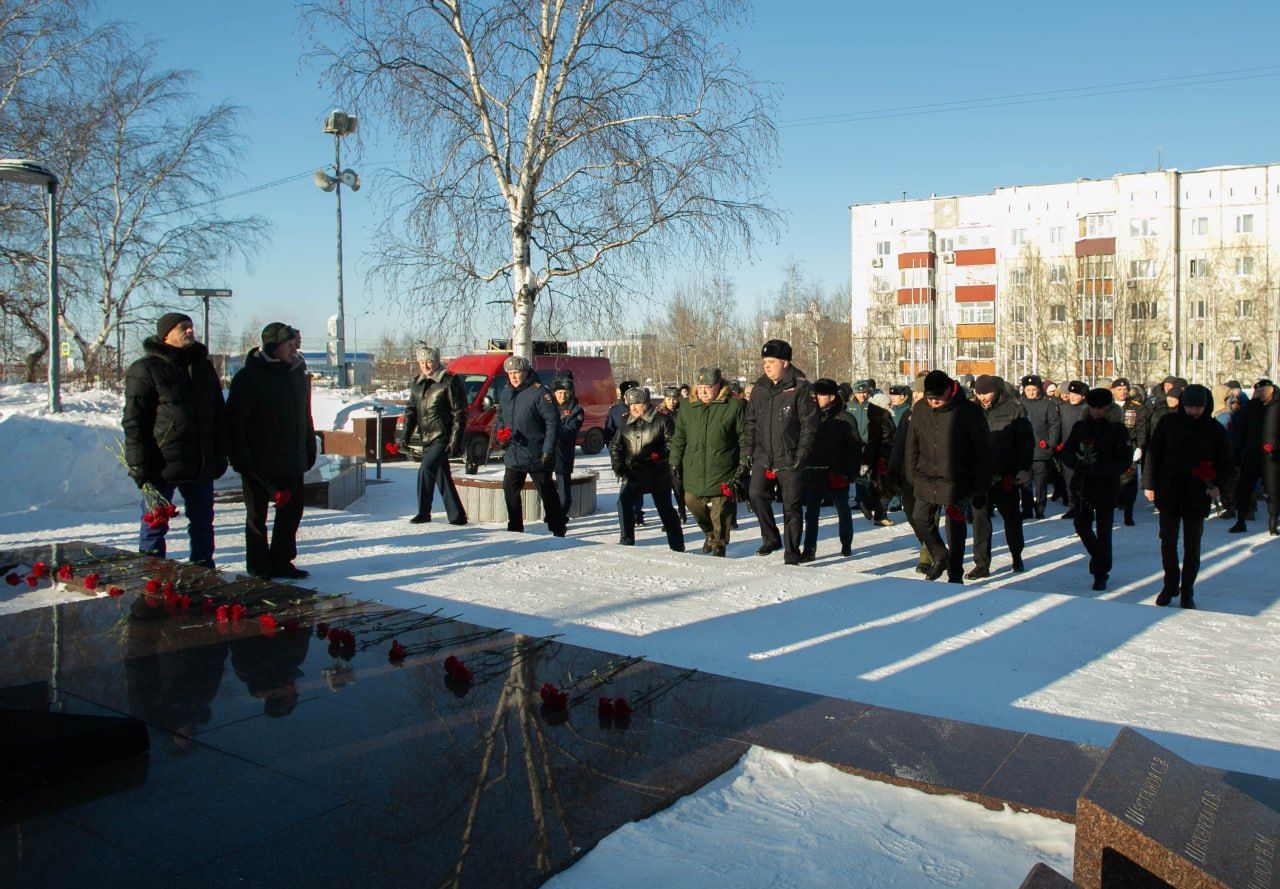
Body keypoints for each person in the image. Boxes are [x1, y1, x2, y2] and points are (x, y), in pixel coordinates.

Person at [122, 312, 228, 568]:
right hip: (161, 463)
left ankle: (203, 573)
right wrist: (138, 463)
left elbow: (218, 414)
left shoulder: (202, 367)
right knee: (155, 524)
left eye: (191, 326)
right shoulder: (146, 368)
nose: (190, 331)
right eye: (183, 327)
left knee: (203, 523)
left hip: (199, 462)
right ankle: (151, 573)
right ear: (166, 335)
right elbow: (135, 420)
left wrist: (219, 454)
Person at [226, 323, 316, 579]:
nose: (293, 350)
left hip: (292, 459)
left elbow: (305, 414)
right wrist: (240, 457)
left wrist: (309, 445)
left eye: (294, 345)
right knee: (257, 516)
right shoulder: (249, 377)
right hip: (259, 461)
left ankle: (281, 561)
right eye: (289, 346)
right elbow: (235, 421)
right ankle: (258, 565)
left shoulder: (296, 374)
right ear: (273, 348)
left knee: (291, 513)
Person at [1144, 384, 1237, 608]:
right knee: (1168, 541)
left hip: (1197, 493)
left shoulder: (1214, 429)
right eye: (1189, 407)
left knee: (1192, 546)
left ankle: (1187, 590)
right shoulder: (1168, 423)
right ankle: (1170, 585)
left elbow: (1227, 464)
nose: (1193, 411)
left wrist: (1218, 486)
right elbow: (1154, 454)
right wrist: (1149, 484)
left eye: (1197, 407)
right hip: (1169, 490)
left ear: (1206, 406)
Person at [905, 370, 991, 583]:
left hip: (957, 479)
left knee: (954, 527)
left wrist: (980, 482)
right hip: (926, 475)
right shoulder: (921, 409)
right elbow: (912, 442)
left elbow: (983, 450)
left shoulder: (968, 411)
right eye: (929, 397)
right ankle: (939, 553)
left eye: (937, 397)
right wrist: (912, 472)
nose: (933, 401)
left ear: (949, 391)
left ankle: (955, 572)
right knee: (919, 517)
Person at [744, 339, 819, 565]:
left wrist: (802, 454)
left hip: (790, 456)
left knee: (791, 507)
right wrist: (748, 449)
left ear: (785, 362)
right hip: (764, 455)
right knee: (755, 494)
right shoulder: (759, 388)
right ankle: (771, 538)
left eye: (771, 361)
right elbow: (751, 421)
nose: (766, 366)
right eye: (764, 362)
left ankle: (792, 552)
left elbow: (809, 425)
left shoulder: (801, 387)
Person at [669, 367, 747, 557]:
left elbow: (744, 437)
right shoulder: (687, 406)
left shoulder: (734, 405)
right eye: (700, 386)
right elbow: (679, 437)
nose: (703, 391)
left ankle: (719, 544)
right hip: (694, 467)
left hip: (723, 467)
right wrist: (674, 461)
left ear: (719, 386)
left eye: (708, 387)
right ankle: (710, 533)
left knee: (721, 510)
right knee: (692, 502)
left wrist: (744, 461)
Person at [1061, 388, 1133, 591]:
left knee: (1104, 531)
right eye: (1093, 408)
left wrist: (1099, 469)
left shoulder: (1118, 429)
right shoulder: (1081, 426)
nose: (1096, 412)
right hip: (1083, 484)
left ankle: (1100, 573)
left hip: (1106, 484)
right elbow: (1067, 451)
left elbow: (1124, 461)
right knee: (1081, 525)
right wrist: (1077, 464)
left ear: (1108, 408)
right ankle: (1099, 556)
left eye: (1100, 408)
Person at [493, 355, 565, 536]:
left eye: (517, 372)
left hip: (537, 454)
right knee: (510, 490)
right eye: (510, 373)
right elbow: (500, 416)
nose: (513, 376)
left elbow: (553, 421)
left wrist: (547, 449)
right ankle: (515, 528)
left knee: (547, 492)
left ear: (526, 372)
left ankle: (557, 528)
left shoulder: (539, 392)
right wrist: (501, 433)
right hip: (514, 452)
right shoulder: (506, 392)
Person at [968, 374, 1032, 579]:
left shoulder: (1014, 408)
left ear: (996, 391)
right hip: (979, 476)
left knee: (1012, 518)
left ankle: (1016, 554)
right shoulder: (971, 410)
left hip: (1006, 474)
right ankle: (981, 564)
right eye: (979, 394)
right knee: (980, 521)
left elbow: (1025, 441)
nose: (983, 398)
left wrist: (1023, 468)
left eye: (987, 393)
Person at [399, 344, 467, 525]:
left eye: (429, 361)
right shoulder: (417, 383)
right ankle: (457, 516)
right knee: (442, 475)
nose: (426, 365)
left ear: (437, 361)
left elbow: (459, 413)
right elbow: (411, 411)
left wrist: (455, 440)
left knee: (426, 468)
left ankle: (423, 512)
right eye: (422, 362)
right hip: (426, 438)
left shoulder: (449, 381)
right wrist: (405, 436)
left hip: (442, 436)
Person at [610, 387, 684, 550]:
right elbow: (616, 445)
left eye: (637, 404)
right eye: (631, 404)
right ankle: (626, 540)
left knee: (665, 508)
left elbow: (672, 444)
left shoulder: (662, 419)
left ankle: (677, 545)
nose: (633, 408)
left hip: (657, 473)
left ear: (646, 403)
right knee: (623, 502)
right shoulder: (625, 420)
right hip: (633, 472)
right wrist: (618, 465)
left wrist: (658, 456)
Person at [801, 379, 862, 561]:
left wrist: (850, 472)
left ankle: (846, 544)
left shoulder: (846, 418)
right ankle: (809, 550)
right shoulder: (810, 416)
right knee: (811, 513)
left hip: (837, 473)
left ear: (832, 397)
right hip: (814, 472)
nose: (817, 398)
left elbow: (854, 447)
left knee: (842, 510)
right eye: (815, 394)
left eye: (821, 395)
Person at [889, 376, 933, 574]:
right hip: (907, 473)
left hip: (929, 475)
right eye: (914, 392)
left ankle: (928, 555)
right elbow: (899, 444)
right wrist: (892, 470)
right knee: (912, 514)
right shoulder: (908, 414)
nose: (916, 396)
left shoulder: (937, 414)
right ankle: (930, 544)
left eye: (920, 393)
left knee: (926, 516)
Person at [1228, 378, 1279, 535]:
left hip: (1273, 456)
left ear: (1271, 389)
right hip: (1252, 453)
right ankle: (1240, 521)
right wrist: (1236, 453)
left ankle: (1273, 522)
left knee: (1273, 489)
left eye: (1263, 390)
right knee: (1244, 487)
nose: (1260, 394)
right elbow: (1241, 431)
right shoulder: (1251, 407)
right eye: (1258, 391)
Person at [847, 380, 895, 526]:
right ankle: (879, 515)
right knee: (884, 489)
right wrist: (866, 461)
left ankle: (868, 505)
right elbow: (873, 442)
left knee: (878, 488)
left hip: (884, 457)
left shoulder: (884, 419)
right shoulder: (878, 421)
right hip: (880, 459)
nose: (891, 406)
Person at [1019, 374, 1060, 519]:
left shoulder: (1047, 404)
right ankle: (1027, 508)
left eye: (1034, 389)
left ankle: (1040, 509)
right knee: (1025, 482)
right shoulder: (1019, 404)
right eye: (1028, 390)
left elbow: (1054, 424)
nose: (1031, 392)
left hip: (1041, 449)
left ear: (1039, 389)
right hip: (1023, 451)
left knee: (1041, 482)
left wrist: (1051, 443)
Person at [604, 379, 644, 525]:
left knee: (638, 485)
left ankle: (637, 512)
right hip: (623, 456)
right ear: (624, 396)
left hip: (641, 455)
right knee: (627, 485)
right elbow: (608, 435)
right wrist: (614, 454)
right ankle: (628, 515)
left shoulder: (644, 409)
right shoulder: (615, 412)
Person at [1105, 378, 1143, 525]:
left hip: (1129, 446)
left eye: (1125, 389)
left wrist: (1140, 446)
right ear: (1113, 390)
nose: (1123, 392)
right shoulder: (1107, 407)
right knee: (1111, 481)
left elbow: (1141, 427)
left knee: (1129, 481)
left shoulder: (1135, 407)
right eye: (1119, 389)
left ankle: (1128, 513)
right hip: (1111, 448)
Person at [550, 377, 583, 519]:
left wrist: (551, 430)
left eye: (565, 393)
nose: (562, 396)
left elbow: (570, 430)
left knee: (564, 491)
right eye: (559, 393)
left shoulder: (576, 410)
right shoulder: (548, 407)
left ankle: (561, 516)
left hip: (563, 453)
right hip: (546, 452)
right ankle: (552, 514)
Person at [1057, 381, 1090, 520]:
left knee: (1084, 481)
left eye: (1076, 394)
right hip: (1067, 449)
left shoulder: (1088, 409)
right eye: (1071, 393)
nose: (1072, 397)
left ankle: (1086, 507)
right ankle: (1073, 506)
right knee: (1069, 479)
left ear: (1083, 396)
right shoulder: (1062, 408)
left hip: (1085, 451)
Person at [658, 386, 687, 521]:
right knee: (664, 488)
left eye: (674, 399)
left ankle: (682, 509)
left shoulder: (684, 411)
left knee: (678, 485)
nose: (672, 402)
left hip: (681, 452)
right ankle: (668, 517)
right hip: (663, 454)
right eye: (669, 399)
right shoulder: (658, 413)